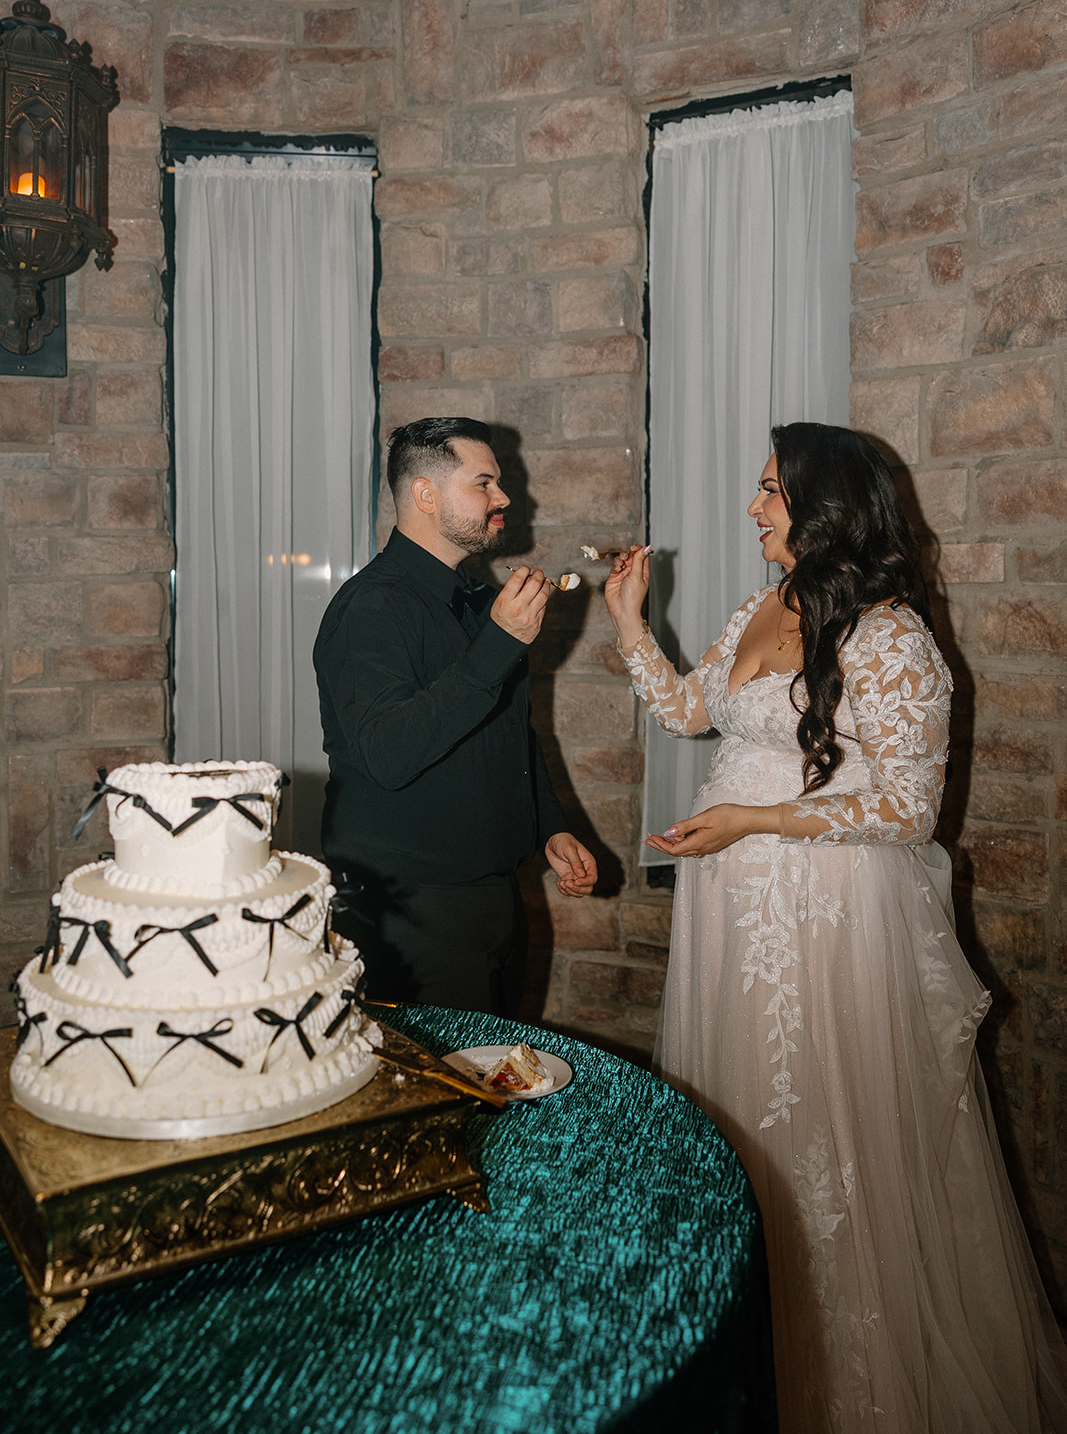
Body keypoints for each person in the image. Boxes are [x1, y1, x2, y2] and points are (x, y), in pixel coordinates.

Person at [604, 422, 1067, 1434]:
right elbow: (689, 712)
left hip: (830, 910)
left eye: (768, 488)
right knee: (737, 1110)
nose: (751, 506)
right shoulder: (759, 606)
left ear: (822, 506)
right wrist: (631, 623)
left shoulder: (891, 632)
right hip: (733, 904)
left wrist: (753, 818)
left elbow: (906, 806)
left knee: (825, 1121)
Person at [314, 416, 597, 1016]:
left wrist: (551, 824)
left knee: (496, 1083)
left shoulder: (472, 599)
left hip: (490, 898)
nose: (504, 498)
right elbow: (388, 755)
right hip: (408, 912)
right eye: (484, 484)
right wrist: (497, 645)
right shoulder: (370, 608)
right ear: (425, 494)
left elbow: (507, 732)